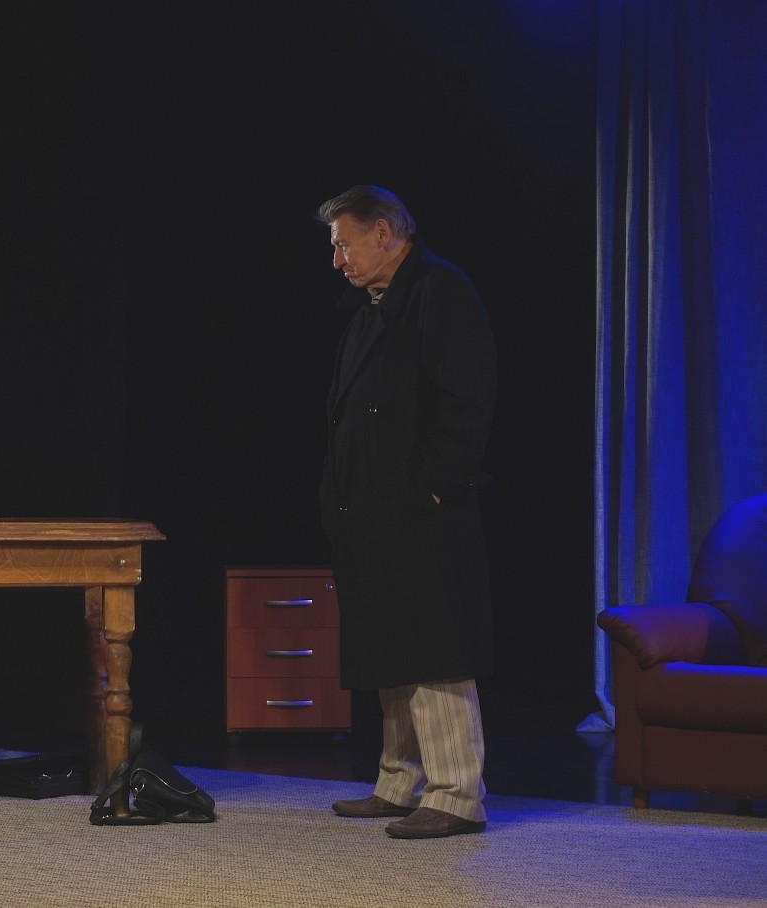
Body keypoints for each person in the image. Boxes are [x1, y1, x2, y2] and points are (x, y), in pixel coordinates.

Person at [315, 185, 496, 839]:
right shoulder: (370, 309)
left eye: (345, 244)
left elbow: (466, 400)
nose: (338, 260)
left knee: (433, 648)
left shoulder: (440, 290)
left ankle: (456, 794)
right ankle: (400, 782)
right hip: (370, 509)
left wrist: (431, 490)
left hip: (422, 511)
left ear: (384, 232)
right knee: (390, 645)